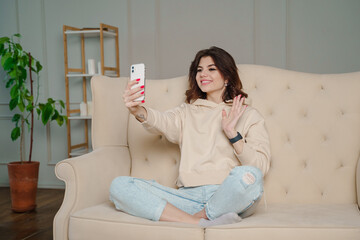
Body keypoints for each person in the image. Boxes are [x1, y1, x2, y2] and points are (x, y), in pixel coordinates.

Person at [110, 46, 271, 227]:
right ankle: (199, 221)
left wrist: (232, 134)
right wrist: (137, 110)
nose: (203, 74)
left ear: (226, 77)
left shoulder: (249, 114)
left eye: (211, 69)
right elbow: (162, 121)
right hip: (187, 198)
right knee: (119, 186)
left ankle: (202, 215)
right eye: (199, 70)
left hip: (227, 196)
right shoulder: (186, 112)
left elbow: (260, 167)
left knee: (251, 176)